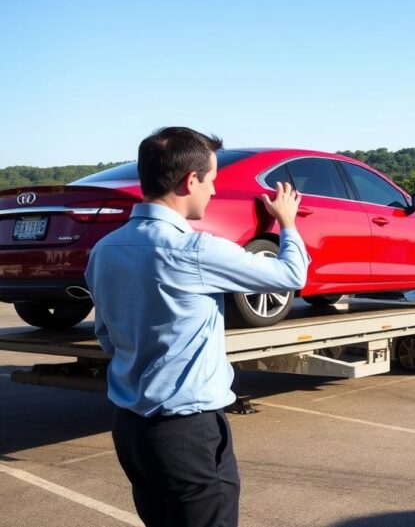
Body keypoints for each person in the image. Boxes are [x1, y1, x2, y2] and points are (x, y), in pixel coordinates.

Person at [85, 127, 310, 527]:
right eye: (212, 181)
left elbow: (106, 335)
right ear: (190, 180)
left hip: (131, 430)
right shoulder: (197, 250)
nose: (214, 192)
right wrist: (288, 224)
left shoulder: (104, 250)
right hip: (186, 432)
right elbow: (291, 274)